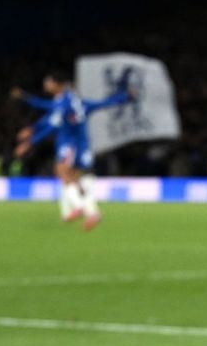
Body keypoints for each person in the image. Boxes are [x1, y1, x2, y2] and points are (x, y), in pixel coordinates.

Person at [11, 69, 130, 231]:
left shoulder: (64, 103)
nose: (46, 85)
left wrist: (30, 142)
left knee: (62, 171)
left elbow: (51, 121)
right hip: (81, 144)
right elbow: (104, 103)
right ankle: (92, 212)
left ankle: (79, 207)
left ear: (57, 84)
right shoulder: (77, 102)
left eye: (48, 82)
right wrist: (125, 96)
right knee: (74, 179)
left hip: (70, 145)